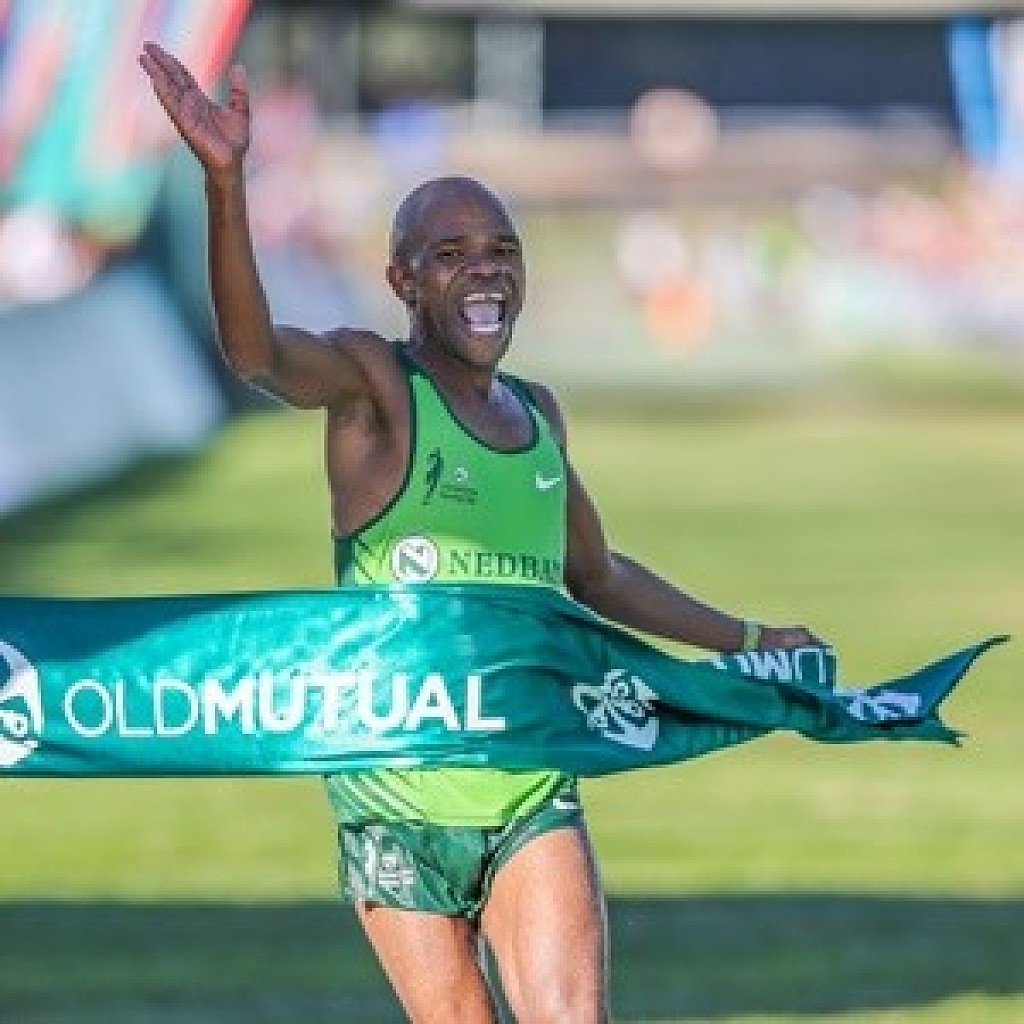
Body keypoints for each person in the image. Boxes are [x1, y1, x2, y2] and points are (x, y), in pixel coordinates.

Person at [140, 43, 821, 1024]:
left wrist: (753, 640)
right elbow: (255, 354)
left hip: (526, 781)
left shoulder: (539, 415)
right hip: (395, 793)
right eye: (452, 253)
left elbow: (596, 572)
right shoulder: (376, 385)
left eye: (501, 249)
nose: (484, 269)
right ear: (404, 279)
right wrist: (224, 182)